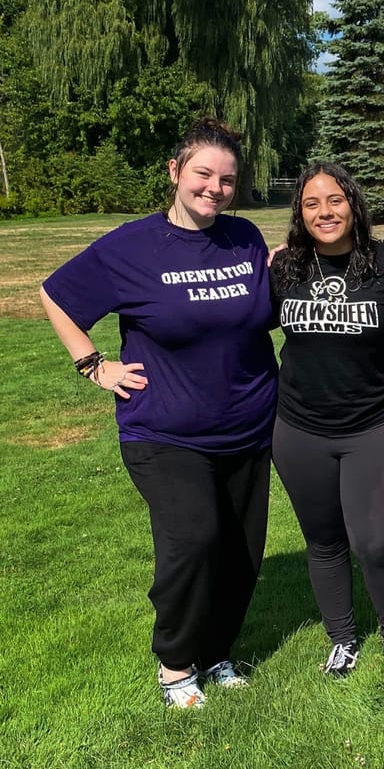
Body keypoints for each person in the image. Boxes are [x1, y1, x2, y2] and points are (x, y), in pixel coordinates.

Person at [40, 118, 278, 708]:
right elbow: (56, 294)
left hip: (249, 424)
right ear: (174, 172)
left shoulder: (244, 238)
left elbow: (265, 314)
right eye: (202, 174)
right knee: (193, 539)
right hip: (164, 430)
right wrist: (95, 365)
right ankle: (176, 663)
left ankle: (218, 651)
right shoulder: (131, 247)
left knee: (242, 552)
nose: (214, 188)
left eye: (226, 179)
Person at [271, 163, 384, 675]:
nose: (324, 212)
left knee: (376, 541)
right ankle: (342, 636)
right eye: (311, 204)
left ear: (353, 205)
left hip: (373, 427)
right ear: (300, 214)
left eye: (334, 200)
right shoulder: (285, 269)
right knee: (325, 539)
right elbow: (233, 327)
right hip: (298, 429)